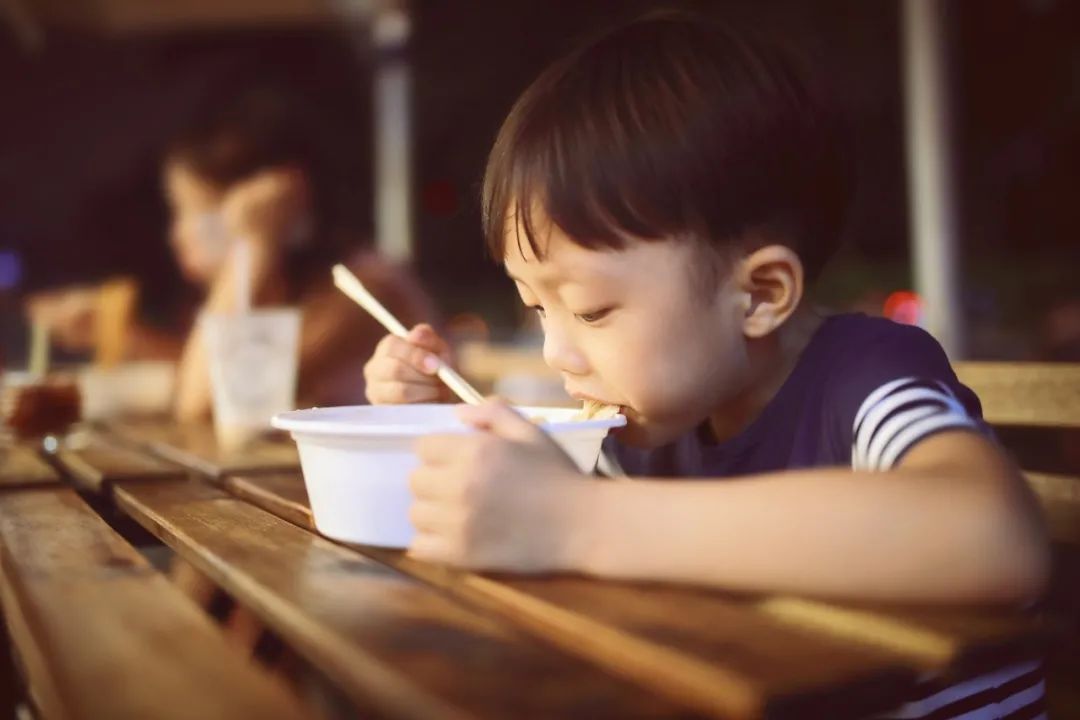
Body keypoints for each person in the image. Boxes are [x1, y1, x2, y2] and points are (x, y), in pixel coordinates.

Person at [363, 13, 1050, 719]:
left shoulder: (865, 380)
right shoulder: (651, 434)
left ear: (758, 295)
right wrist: (437, 427)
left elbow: (993, 535)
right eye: (538, 309)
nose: (555, 353)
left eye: (592, 311)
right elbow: (527, 522)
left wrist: (577, 521)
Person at [26, 86, 434, 417]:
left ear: (272, 202)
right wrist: (125, 334)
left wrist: (252, 243)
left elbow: (202, 400)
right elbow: (207, 374)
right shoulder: (278, 291)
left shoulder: (364, 291)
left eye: (193, 212)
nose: (177, 235)